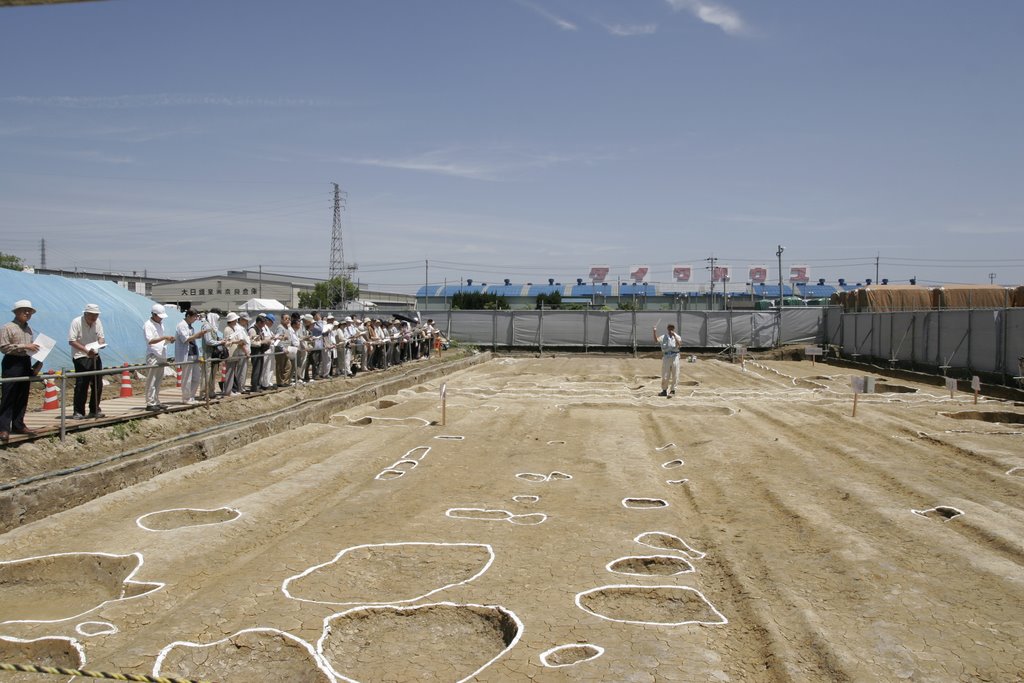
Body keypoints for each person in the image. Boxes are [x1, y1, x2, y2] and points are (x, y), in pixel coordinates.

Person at [0, 300, 42, 442]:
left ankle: (18, 424)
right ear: (16, 312)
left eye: (29, 311)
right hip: (12, 362)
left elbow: (30, 348)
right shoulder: (7, 327)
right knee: (8, 395)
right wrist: (25, 346)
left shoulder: (29, 329)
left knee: (22, 395)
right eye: (24, 310)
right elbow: (4, 347)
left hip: (25, 361)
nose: (27, 313)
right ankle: (4, 428)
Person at [68, 303, 106, 419]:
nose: (94, 318)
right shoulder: (76, 322)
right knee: (82, 384)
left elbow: (101, 336)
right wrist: (85, 350)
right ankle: (78, 411)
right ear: (85, 314)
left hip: (94, 354)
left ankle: (95, 409)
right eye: (92, 315)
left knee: (97, 383)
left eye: (96, 315)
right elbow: (72, 341)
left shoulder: (97, 322)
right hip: (80, 355)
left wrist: (101, 343)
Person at [143, 303, 175, 411]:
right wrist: (164, 337)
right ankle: (150, 402)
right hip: (153, 354)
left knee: (158, 380)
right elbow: (150, 341)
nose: (161, 319)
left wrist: (168, 340)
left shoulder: (160, 324)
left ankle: (156, 400)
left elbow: (160, 341)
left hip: (161, 353)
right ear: (154, 314)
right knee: (152, 379)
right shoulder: (148, 325)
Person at [174, 308, 206, 405]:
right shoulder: (181, 325)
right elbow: (185, 339)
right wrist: (197, 335)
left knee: (196, 377)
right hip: (186, 354)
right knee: (187, 377)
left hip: (194, 353)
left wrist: (198, 336)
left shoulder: (190, 326)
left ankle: (191, 396)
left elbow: (193, 339)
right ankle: (186, 398)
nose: (195, 319)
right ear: (188, 316)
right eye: (194, 317)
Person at [222, 312, 249, 396]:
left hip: (234, 353)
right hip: (230, 353)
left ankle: (230, 390)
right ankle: (228, 391)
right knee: (229, 372)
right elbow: (228, 341)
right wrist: (238, 341)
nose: (236, 321)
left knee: (232, 372)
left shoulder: (232, 328)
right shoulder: (227, 329)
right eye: (235, 320)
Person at [653, 323, 683, 397]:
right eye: (669, 328)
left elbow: (680, 345)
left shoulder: (677, 336)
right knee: (665, 374)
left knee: (675, 374)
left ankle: (672, 390)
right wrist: (654, 332)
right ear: (667, 328)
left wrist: (674, 336)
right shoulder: (663, 337)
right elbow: (656, 341)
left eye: (672, 328)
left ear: (674, 329)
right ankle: (664, 390)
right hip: (666, 357)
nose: (670, 330)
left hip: (675, 356)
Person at [200, 309, 225, 399]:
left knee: (213, 374)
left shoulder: (213, 327)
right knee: (206, 374)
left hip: (213, 354)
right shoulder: (206, 326)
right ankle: (203, 393)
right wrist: (220, 342)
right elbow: (208, 341)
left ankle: (211, 391)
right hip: (207, 354)